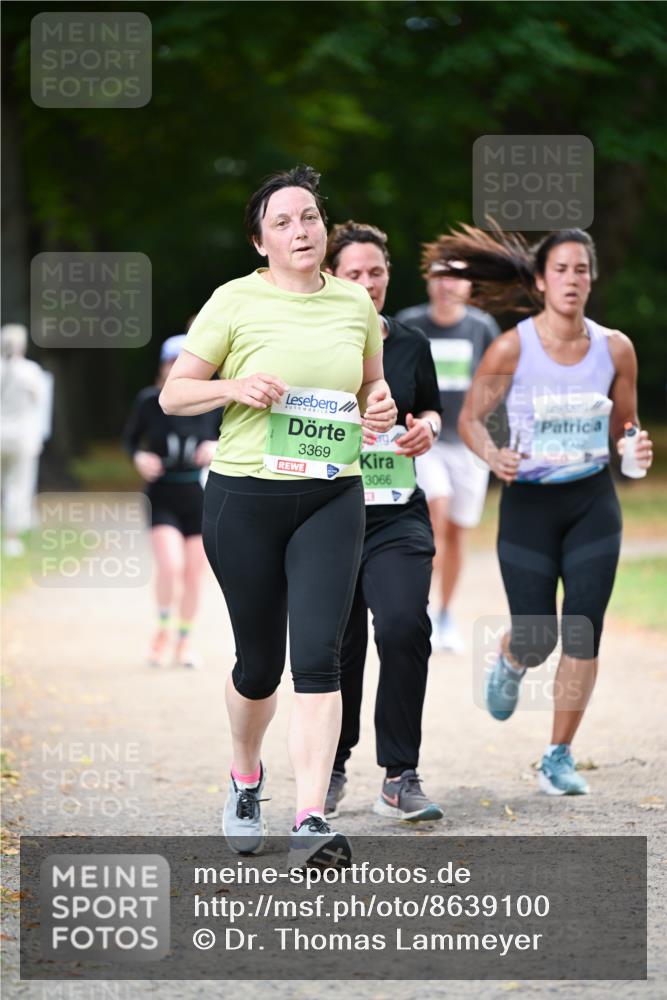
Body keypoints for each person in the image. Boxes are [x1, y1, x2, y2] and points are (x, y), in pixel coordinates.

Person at [159, 166, 396, 865]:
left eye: (310, 217)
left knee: (319, 657)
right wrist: (236, 384)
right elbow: (176, 394)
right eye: (283, 222)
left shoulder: (355, 305)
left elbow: (371, 386)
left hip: (331, 493)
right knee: (258, 666)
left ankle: (309, 819)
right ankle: (244, 776)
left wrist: (379, 404)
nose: (301, 230)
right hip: (244, 499)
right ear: (260, 241)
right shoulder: (232, 300)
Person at [448, 223, 653, 795]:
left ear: (592, 279)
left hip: (591, 499)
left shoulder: (615, 348)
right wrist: (494, 455)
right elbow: (469, 419)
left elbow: (625, 425)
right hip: (529, 505)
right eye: (560, 270)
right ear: (540, 281)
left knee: (584, 628)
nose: (572, 279)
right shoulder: (514, 346)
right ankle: (513, 658)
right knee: (538, 636)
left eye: (581, 270)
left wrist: (633, 446)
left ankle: (558, 756)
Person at [324, 221, 444, 822]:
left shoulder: (411, 344)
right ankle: (331, 763)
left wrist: (428, 428)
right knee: (337, 647)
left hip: (396, 515)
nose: (368, 283)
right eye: (354, 274)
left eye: (377, 272)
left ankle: (400, 774)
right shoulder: (312, 340)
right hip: (326, 514)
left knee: (401, 627)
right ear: (331, 276)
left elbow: (430, 408)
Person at [396, 250, 500, 652]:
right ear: (429, 282)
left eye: (456, 277)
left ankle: (445, 613)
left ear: (469, 286)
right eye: (440, 276)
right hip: (425, 439)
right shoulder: (409, 323)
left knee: (457, 531)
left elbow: (496, 383)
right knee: (435, 512)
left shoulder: (482, 327)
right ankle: (417, 606)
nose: (447, 284)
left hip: (469, 443)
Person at [123, 334, 221, 668]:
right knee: (170, 566)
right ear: (164, 366)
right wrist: (139, 458)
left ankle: (184, 640)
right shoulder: (150, 401)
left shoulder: (212, 400)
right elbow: (130, 440)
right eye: (173, 361)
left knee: (194, 575)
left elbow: (233, 438)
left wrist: (216, 448)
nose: (179, 367)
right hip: (162, 494)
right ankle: (162, 629)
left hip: (199, 495)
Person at [1, 323, 52, 557]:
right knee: (18, 486)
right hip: (22, 437)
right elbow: (40, 405)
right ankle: (12, 537)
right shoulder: (31, 371)